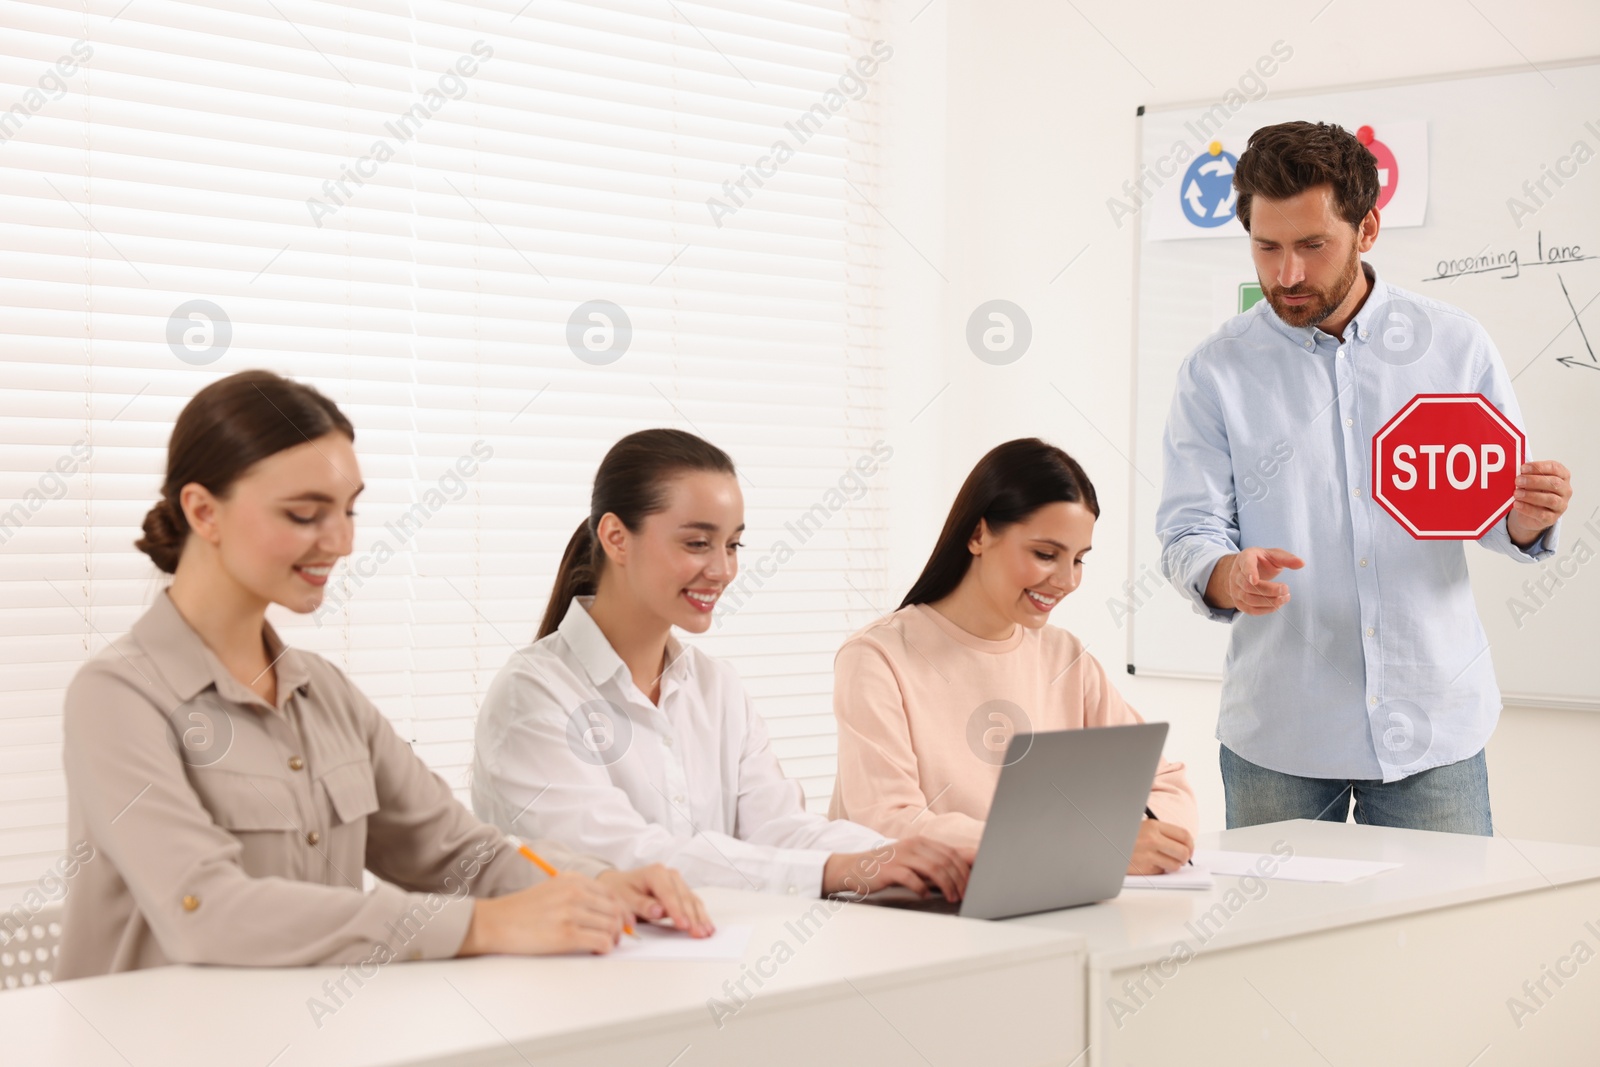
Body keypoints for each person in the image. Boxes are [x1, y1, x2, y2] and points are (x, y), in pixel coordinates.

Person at [59, 371, 709, 980]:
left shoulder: (325, 694)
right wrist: (481, 924)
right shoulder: (117, 696)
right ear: (203, 511)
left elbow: (456, 852)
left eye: (349, 511)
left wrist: (589, 884)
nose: (340, 541)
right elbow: (205, 909)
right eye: (305, 513)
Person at [1156, 121, 1572, 834]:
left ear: (1368, 228)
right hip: (1280, 735)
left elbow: (1493, 510)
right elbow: (1187, 531)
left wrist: (1526, 519)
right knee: (1277, 944)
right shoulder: (1214, 370)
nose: (1287, 274)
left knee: (1441, 942)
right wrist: (1227, 574)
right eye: (1268, 246)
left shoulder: (1454, 345)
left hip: (1434, 728)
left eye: (1312, 246)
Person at [471, 429, 972, 902]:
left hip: (702, 958)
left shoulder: (716, 687)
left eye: (733, 545)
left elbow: (778, 828)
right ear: (616, 538)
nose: (723, 570)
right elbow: (620, 856)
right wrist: (832, 870)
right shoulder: (532, 695)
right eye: (697, 543)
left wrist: (895, 856)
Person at [829, 439, 1198, 876]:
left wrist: (1136, 841)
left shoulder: (1065, 658)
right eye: (1045, 555)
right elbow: (889, 822)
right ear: (978, 534)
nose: (1066, 580)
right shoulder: (877, 657)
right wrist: (1084, 847)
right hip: (918, 916)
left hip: (1042, 902)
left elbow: (1165, 786)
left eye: (1079, 560)